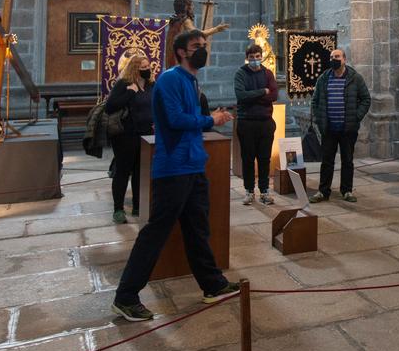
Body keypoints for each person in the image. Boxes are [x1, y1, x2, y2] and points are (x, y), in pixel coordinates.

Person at [111, 29, 237, 322]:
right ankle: (125, 296)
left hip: (193, 164)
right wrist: (211, 119)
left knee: (197, 228)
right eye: (196, 46)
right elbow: (175, 119)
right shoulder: (170, 78)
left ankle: (212, 284)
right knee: (156, 232)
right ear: (181, 51)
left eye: (204, 45)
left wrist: (209, 118)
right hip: (174, 167)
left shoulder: (191, 80)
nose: (202, 50)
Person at [309, 48, 371, 203]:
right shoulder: (323, 78)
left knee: (347, 160)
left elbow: (366, 99)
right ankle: (323, 191)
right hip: (329, 128)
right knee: (327, 161)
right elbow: (315, 101)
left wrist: (356, 117)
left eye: (337, 56)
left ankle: (347, 191)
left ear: (344, 59)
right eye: (331, 57)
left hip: (347, 128)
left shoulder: (355, 78)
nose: (333, 59)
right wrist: (319, 119)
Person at [104, 51, 155, 224]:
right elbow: (110, 107)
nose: (147, 70)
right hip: (125, 135)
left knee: (141, 171)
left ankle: (137, 206)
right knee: (123, 172)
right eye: (143, 67)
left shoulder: (150, 85)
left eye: (148, 67)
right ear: (134, 69)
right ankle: (118, 209)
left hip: (146, 134)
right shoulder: (124, 84)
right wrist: (130, 93)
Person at [234, 44, 279, 206]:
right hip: (246, 122)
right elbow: (241, 95)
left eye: (257, 56)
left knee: (264, 158)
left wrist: (253, 96)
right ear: (247, 58)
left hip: (265, 122)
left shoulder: (267, 73)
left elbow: (274, 95)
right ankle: (249, 191)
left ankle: (265, 191)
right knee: (247, 158)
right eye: (251, 57)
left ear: (262, 56)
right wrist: (262, 92)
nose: (255, 59)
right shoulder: (241, 73)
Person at [164, 0, 229, 68]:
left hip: (172, 49)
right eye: (191, 5)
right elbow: (198, 34)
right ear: (186, 7)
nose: (193, 7)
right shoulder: (185, 21)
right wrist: (216, 29)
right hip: (178, 51)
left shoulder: (175, 19)